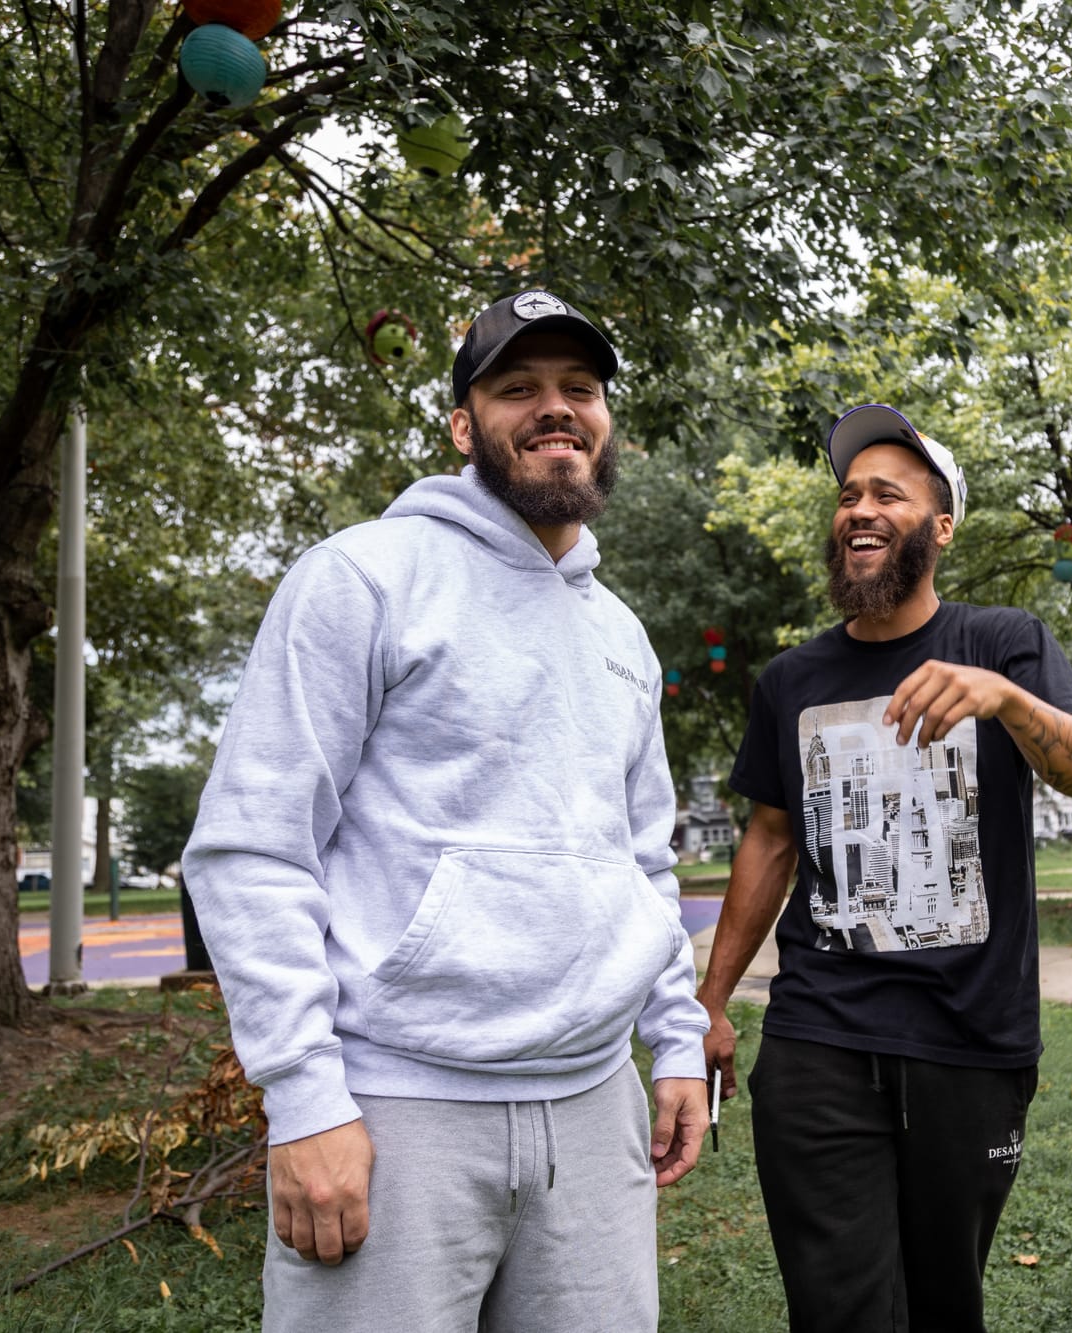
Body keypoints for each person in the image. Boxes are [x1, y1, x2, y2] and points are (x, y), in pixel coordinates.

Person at [183, 290, 709, 1333]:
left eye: (579, 389)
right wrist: (304, 1097)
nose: (555, 408)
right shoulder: (363, 579)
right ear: (465, 427)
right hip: (396, 1106)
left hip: (593, 1107)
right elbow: (252, 849)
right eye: (518, 388)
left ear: (606, 424)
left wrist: (677, 1041)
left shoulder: (621, 634)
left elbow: (642, 859)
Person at [697, 404, 1072, 1333]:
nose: (859, 508)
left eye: (889, 491)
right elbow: (770, 841)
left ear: (940, 524)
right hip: (820, 1037)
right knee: (839, 1311)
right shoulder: (789, 683)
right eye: (848, 494)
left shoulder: (1004, 643)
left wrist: (1004, 699)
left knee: (943, 1306)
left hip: (970, 1042)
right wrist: (714, 1000)